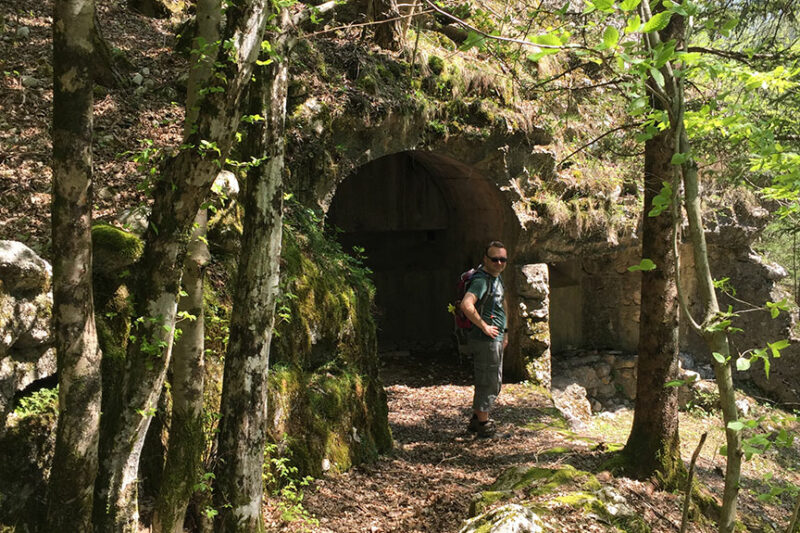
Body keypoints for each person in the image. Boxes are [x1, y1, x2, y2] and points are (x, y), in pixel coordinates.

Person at [459, 241, 508, 438]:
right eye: (494, 259)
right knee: (488, 381)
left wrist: (506, 331)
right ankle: (484, 425)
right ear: (485, 260)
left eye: (502, 259)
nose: (499, 262)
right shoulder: (481, 281)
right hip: (485, 340)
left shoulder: (497, 278)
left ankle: (475, 420)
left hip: (495, 338)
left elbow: (503, 303)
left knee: (490, 378)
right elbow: (466, 305)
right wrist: (485, 326)